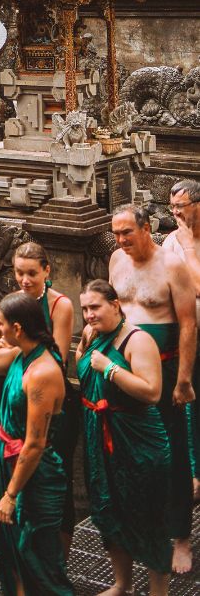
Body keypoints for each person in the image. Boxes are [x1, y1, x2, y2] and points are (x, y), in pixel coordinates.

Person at [109, 202, 196, 574]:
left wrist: (184, 379)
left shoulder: (172, 266)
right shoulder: (116, 260)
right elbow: (112, 311)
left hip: (165, 366)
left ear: (146, 229)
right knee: (125, 451)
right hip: (124, 369)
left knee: (172, 452)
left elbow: (189, 324)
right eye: (116, 233)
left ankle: (180, 537)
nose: (121, 239)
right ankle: (135, 529)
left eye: (127, 232)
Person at [0, 293, 73, 596]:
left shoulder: (42, 372)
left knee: (37, 553)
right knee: (5, 539)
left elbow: (35, 444)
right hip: (8, 459)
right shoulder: (19, 355)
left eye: (1, 324)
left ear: (18, 328)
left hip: (33, 472)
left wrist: (11, 494)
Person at [77, 279, 172, 595]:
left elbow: (152, 392)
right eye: (85, 309)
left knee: (146, 515)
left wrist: (109, 369)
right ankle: (122, 584)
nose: (89, 314)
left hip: (137, 440)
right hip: (100, 437)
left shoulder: (137, 340)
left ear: (115, 305)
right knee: (108, 510)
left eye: (95, 307)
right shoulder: (93, 336)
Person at [1, 241, 78, 549]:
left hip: (55, 398)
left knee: (59, 477)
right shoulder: (14, 302)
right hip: (23, 393)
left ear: (47, 271)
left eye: (32, 273)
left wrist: (16, 348)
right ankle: (27, 547)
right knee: (20, 470)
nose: (25, 280)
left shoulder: (61, 306)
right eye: (19, 273)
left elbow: (56, 358)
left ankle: (59, 555)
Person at [163, 178, 200, 502]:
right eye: (171, 207)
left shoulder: (183, 244)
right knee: (189, 403)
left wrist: (189, 246)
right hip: (187, 336)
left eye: (180, 207)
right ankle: (193, 472)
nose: (175, 213)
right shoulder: (171, 243)